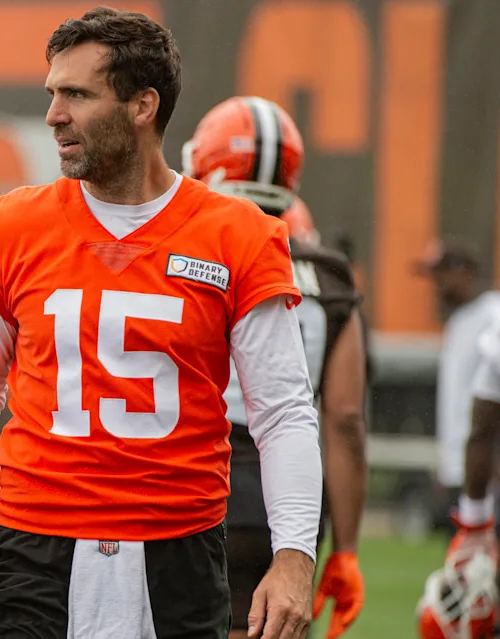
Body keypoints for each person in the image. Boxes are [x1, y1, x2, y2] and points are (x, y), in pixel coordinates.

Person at [0, 8, 323, 639]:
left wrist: (294, 555)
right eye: (52, 94)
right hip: (35, 547)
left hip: (178, 547)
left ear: (142, 105)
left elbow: (283, 410)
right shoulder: (12, 227)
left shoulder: (238, 235)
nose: (54, 114)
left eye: (77, 94)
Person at [183, 96, 368, 639]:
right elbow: (346, 420)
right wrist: (349, 549)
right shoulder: (329, 275)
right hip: (291, 500)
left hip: (197, 486)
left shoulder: (183, 253)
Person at [415, 239, 500, 530]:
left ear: (465, 272)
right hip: (461, 471)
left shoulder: (493, 315)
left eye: (442, 273)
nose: (436, 284)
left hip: (487, 472)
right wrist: (447, 466)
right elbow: (454, 405)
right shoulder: (457, 324)